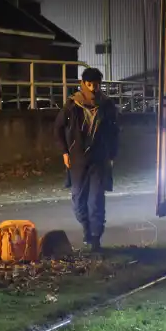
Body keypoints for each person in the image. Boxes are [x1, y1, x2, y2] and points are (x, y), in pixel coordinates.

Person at [55, 67, 119, 252]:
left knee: (96, 201)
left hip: (99, 160)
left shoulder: (107, 106)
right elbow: (58, 128)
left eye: (96, 85)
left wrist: (112, 155)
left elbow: (114, 132)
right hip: (77, 161)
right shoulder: (72, 105)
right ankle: (86, 229)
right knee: (78, 201)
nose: (93, 89)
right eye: (89, 84)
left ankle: (95, 238)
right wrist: (65, 152)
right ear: (83, 84)